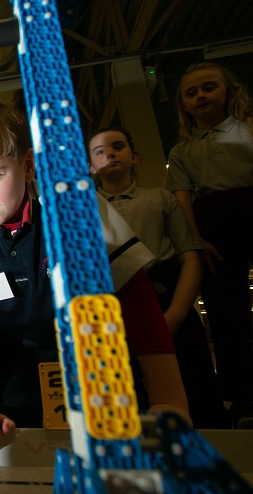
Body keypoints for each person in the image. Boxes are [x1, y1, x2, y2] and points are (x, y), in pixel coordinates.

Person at [0, 101, 190, 459]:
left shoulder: (75, 203)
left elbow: (134, 295)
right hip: (16, 351)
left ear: (27, 165)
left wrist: (169, 400)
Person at [89, 127, 228, 428]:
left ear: (135, 156)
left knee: (194, 392)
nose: (110, 154)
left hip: (166, 303)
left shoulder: (161, 199)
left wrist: (174, 317)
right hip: (112, 310)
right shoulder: (83, 211)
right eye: (100, 151)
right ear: (90, 166)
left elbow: (190, 257)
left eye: (118, 146)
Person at [165, 62, 253, 424]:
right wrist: (196, 239)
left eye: (209, 88)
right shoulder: (182, 152)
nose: (201, 96)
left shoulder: (248, 130)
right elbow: (183, 199)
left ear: (228, 92)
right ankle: (242, 395)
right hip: (213, 225)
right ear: (184, 104)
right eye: (192, 92)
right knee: (225, 310)